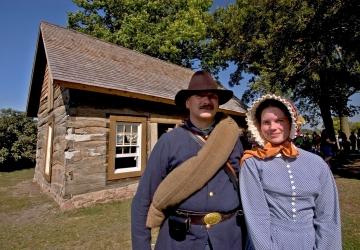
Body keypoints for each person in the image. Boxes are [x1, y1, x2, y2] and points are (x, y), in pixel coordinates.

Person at [131, 70, 245, 249]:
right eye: (199, 96)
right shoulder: (169, 142)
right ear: (187, 102)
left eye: (212, 96)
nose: (207, 101)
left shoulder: (234, 140)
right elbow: (142, 200)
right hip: (181, 240)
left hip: (229, 238)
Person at [239, 94, 341, 250]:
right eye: (266, 122)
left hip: (310, 242)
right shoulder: (252, 163)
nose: (273, 127)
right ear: (259, 127)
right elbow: (257, 219)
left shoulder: (317, 163)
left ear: (291, 123)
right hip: (268, 243)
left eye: (280, 120)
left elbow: (328, 218)